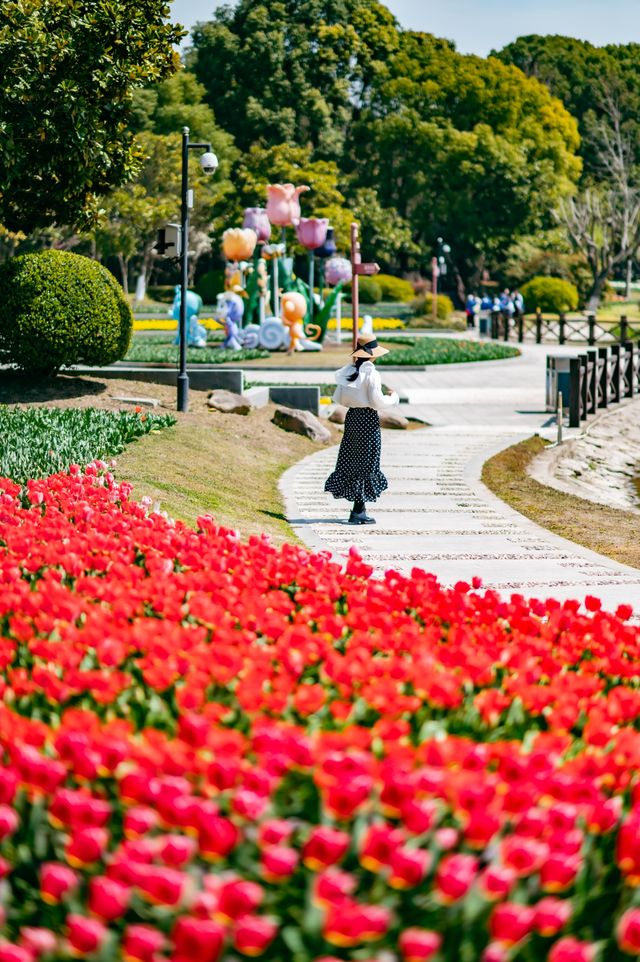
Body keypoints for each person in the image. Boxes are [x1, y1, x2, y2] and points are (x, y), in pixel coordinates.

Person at [325, 333, 399, 525]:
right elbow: (377, 401)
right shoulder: (371, 373)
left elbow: (339, 398)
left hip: (352, 419)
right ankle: (358, 511)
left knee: (352, 459)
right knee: (367, 462)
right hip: (367, 419)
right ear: (373, 355)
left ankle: (359, 509)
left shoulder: (348, 371)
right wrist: (393, 398)